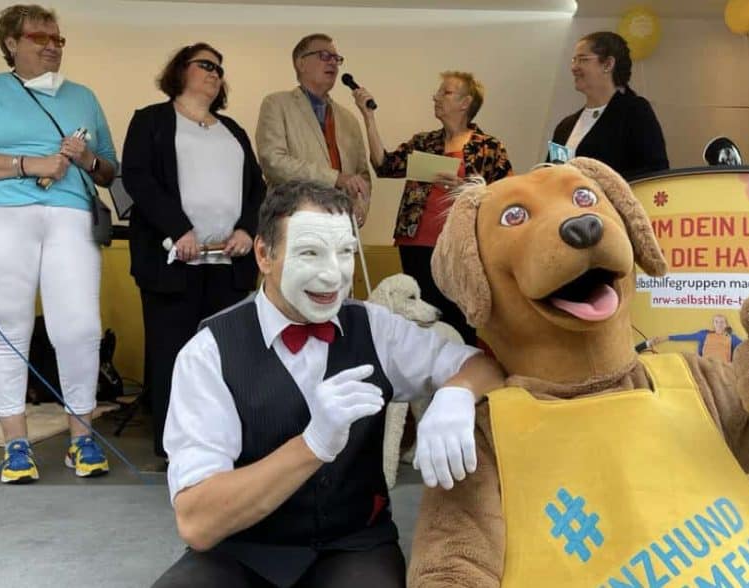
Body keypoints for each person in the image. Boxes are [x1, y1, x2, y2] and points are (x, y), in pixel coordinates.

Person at [152, 181, 505, 588]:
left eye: (345, 253)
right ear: (265, 255)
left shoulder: (376, 327)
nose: (333, 274)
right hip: (242, 548)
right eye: (310, 252)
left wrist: (456, 394)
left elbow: (487, 367)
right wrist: (313, 445)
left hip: (352, 545)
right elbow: (198, 522)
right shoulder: (208, 353)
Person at [0, 4, 117, 483]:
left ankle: (82, 439)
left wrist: (88, 158)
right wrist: (29, 164)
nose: (52, 45)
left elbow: (111, 170)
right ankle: (15, 444)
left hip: (70, 212)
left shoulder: (83, 95)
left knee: (80, 327)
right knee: (7, 324)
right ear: (11, 43)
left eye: (58, 39)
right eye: (39, 37)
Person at [121, 43, 265, 458]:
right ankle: (177, 448)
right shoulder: (151, 121)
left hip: (229, 262)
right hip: (174, 261)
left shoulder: (232, 129)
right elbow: (139, 178)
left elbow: (257, 187)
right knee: (174, 355)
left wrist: (246, 229)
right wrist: (178, 229)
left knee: (227, 356)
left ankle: (224, 443)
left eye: (220, 68)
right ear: (180, 70)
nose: (215, 73)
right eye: (206, 65)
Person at [351, 71, 512, 345]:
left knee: (457, 315)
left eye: (445, 92)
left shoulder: (488, 147)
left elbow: (505, 196)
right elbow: (384, 165)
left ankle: (460, 372)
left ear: (465, 102)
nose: (436, 97)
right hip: (415, 241)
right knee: (421, 315)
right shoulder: (425, 142)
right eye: (438, 92)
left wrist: (465, 187)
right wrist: (369, 118)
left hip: (459, 244)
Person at [255, 33, 370, 224]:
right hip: (293, 221)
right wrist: (335, 178)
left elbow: (362, 176)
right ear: (301, 63)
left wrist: (361, 206)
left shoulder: (349, 119)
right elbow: (273, 162)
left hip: (340, 225)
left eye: (336, 58)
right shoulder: (276, 104)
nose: (333, 63)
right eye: (324, 56)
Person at [550, 31, 669, 180]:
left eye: (582, 59)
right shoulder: (565, 126)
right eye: (574, 60)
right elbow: (550, 174)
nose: (574, 67)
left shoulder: (634, 112)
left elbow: (655, 171)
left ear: (608, 64)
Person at [643, 314, 743, 363]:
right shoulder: (704, 334)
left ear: (726, 324)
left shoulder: (732, 338)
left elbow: (745, 347)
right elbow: (686, 337)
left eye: (722, 322)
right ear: (713, 324)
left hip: (724, 372)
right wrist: (667, 338)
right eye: (716, 322)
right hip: (705, 368)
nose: (719, 324)